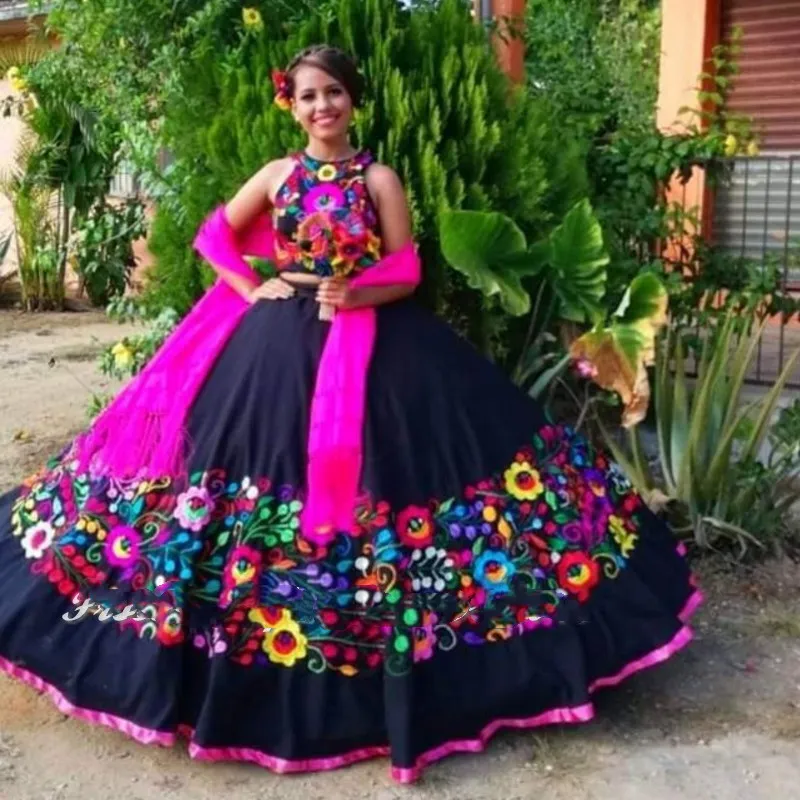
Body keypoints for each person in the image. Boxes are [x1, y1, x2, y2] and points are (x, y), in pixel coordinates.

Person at [0, 45, 702, 783]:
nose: (321, 107)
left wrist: (361, 295)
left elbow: (404, 266)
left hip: (377, 342)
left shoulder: (379, 178)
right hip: (277, 342)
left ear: (352, 100)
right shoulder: (276, 175)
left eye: (332, 93)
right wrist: (249, 286)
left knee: (414, 470)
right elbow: (217, 234)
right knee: (238, 471)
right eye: (307, 96)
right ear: (291, 105)